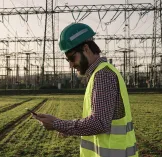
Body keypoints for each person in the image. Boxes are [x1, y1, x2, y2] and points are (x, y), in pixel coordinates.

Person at [33, 23, 138, 157]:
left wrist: (57, 124)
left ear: (86, 48)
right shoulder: (99, 73)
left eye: (72, 58)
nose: (71, 65)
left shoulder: (103, 75)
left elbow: (99, 123)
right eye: (68, 60)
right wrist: (64, 127)